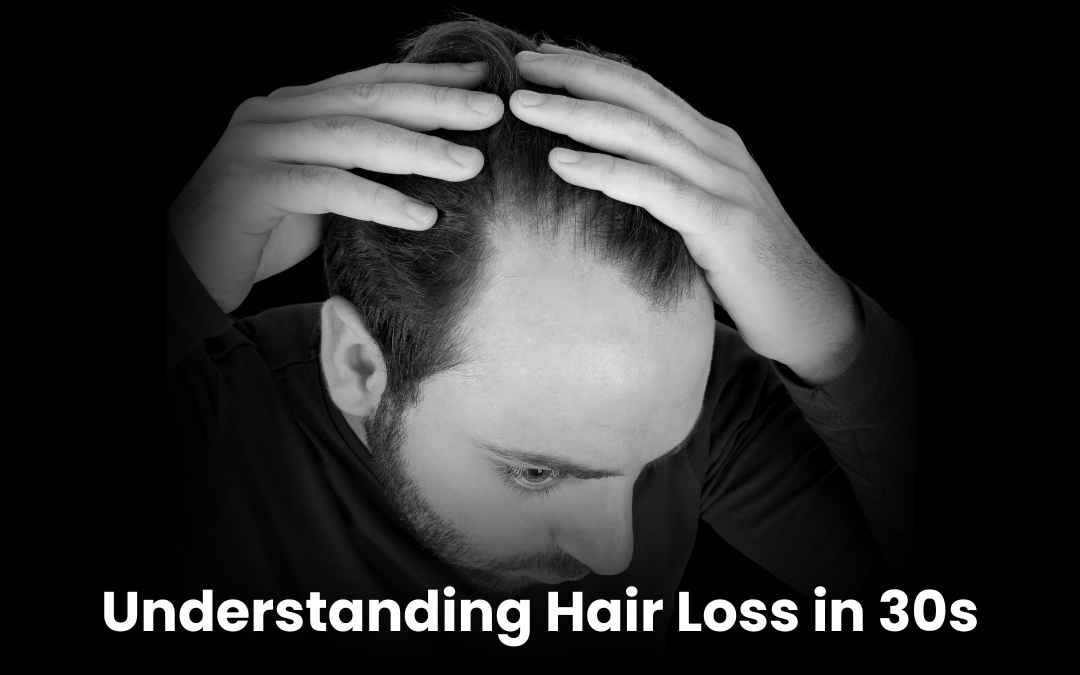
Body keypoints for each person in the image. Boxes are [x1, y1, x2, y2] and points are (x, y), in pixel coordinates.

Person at [161, 16, 914, 662]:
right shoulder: (213, 421)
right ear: (358, 363)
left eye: (654, 464)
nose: (615, 556)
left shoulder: (690, 393)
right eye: (534, 473)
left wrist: (836, 337)